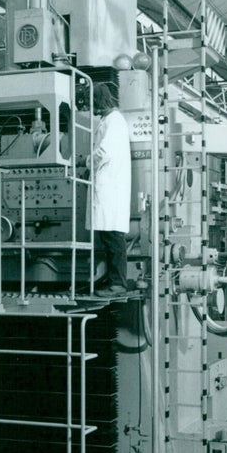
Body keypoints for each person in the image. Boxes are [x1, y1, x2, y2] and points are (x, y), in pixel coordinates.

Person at [86, 81, 131, 296]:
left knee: (113, 237)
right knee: (107, 237)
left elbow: (104, 152)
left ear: (99, 100)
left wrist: (85, 162)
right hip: (107, 187)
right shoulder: (109, 120)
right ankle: (110, 280)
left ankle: (118, 284)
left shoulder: (114, 121)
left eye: (92, 102)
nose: (91, 108)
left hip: (110, 188)